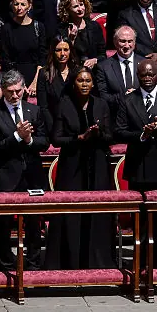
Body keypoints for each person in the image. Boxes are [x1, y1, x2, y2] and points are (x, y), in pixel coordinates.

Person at [46, 66, 116, 270]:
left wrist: (98, 134)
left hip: (98, 164)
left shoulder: (101, 104)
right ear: (74, 83)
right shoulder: (64, 104)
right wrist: (79, 138)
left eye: (88, 81)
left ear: (93, 84)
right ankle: (70, 262)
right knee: (71, 212)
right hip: (72, 165)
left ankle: (98, 262)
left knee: (98, 212)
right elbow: (56, 138)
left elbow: (111, 136)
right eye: (80, 80)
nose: (84, 84)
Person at [116, 58, 157, 269]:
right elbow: (120, 131)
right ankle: (140, 265)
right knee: (141, 220)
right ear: (138, 76)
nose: (147, 78)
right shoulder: (128, 100)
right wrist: (142, 135)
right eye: (143, 74)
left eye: (151, 74)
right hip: (138, 168)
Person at [0, 70, 49, 269]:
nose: (15, 96)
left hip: (32, 174)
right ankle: (6, 264)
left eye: (18, 91)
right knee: (4, 223)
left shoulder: (34, 111)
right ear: (3, 90)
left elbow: (44, 142)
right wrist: (16, 136)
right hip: (6, 174)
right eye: (10, 92)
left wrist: (29, 140)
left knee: (33, 222)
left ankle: (33, 263)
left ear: (24, 88)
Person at [0, 0, 47, 89]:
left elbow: (42, 56)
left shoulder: (39, 27)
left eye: (23, 4)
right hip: (14, 77)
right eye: (16, 4)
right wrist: (19, 83)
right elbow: (5, 57)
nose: (19, 8)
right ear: (12, 5)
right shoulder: (6, 28)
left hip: (36, 76)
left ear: (29, 6)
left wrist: (35, 82)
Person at [93, 25, 142, 116]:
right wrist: (124, 97)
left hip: (141, 116)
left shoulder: (144, 63)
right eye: (123, 41)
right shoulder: (104, 67)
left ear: (134, 43)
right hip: (116, 116)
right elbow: (102, 96)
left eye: (130, 41)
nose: (127, 45)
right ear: (115, 42)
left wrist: (138, 94)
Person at [35, 37, 74, 129]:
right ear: (53, 51)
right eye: (58, 50)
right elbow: (43, 106)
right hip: (53, 124)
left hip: (75, 123)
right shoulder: (44, 73)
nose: (62, 54)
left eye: (66, 50)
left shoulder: (77, 71)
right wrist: (54, 128)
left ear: (70, 51)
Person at [59, 0, 104, 67]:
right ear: (67, 10)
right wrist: (71, 39)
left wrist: (95, 60)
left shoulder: (94, 26)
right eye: (75, 6)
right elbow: (62, 56)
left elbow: (102, 54)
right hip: (72, 68)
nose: (80, 9)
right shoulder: (62, 29)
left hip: (93, 69)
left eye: (81, 5)